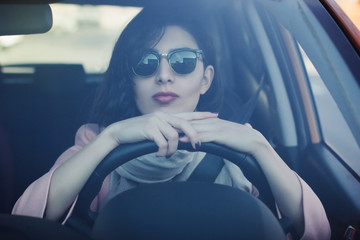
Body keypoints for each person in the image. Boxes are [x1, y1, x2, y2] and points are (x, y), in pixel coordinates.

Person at [12, 4, 330, 240]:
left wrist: (260, 146)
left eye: (182, 61)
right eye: (146, 62)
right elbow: (25, 220)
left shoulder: (241, 140)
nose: (164, 76)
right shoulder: (96, 140)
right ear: (130, 79)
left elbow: (316, 232)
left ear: (205, 79)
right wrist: (111, 139)